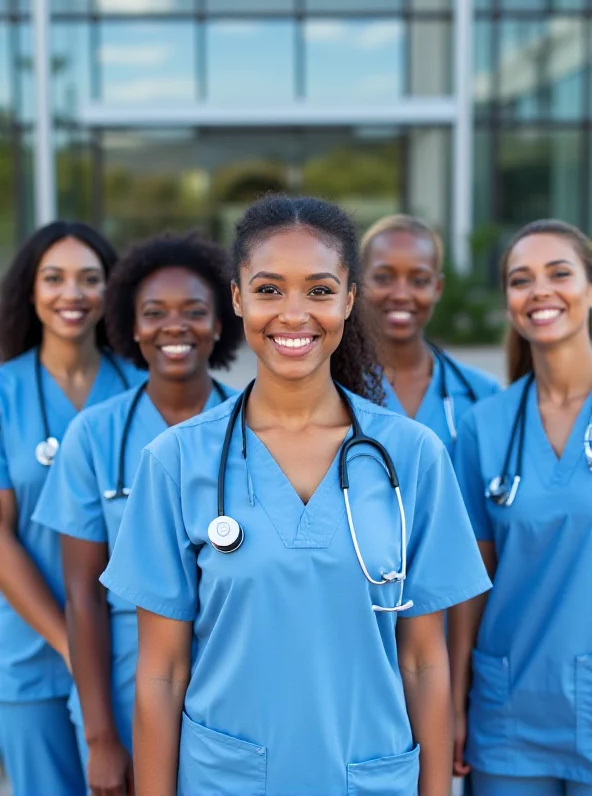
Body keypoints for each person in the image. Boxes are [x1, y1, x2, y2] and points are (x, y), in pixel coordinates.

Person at [101, 194, 491, 796]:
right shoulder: (177, 461)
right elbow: (161, 672)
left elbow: (423, 662)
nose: (293, 314)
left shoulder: (412, 457)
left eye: (318, 290)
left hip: (369, 776)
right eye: (268, 290)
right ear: (237, 299)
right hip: (227, 781)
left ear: (349, 300)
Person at [33, 232, 242, 795]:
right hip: (126, 678)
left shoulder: (255, 430)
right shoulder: (94, 436)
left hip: (234, 678)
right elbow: (82, 599)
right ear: (132, 326)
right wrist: (101, 736)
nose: (175, 327)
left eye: (194, 312)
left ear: (220, 322)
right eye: (155, 313)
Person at [0, 221, 144, 796]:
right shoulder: (5, 392)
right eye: (54, 278)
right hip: (33, 652)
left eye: (91, 279)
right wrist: (71, 643)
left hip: (133, 654)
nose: (72, 294)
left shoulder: (143, 387)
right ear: (30, 291)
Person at [451, 219, 592, 796]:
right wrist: (453, 702)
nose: (540, 291)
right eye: (520, 279)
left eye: (559, 273)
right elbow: (469, 583)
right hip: (510, 712)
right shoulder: (484, 427)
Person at [361, 215, 500, 452]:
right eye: (384, 278)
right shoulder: (332, 389)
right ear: (358, 281)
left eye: (419, 280)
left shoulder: (483, 395)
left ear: (437, 288)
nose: (401, 295)